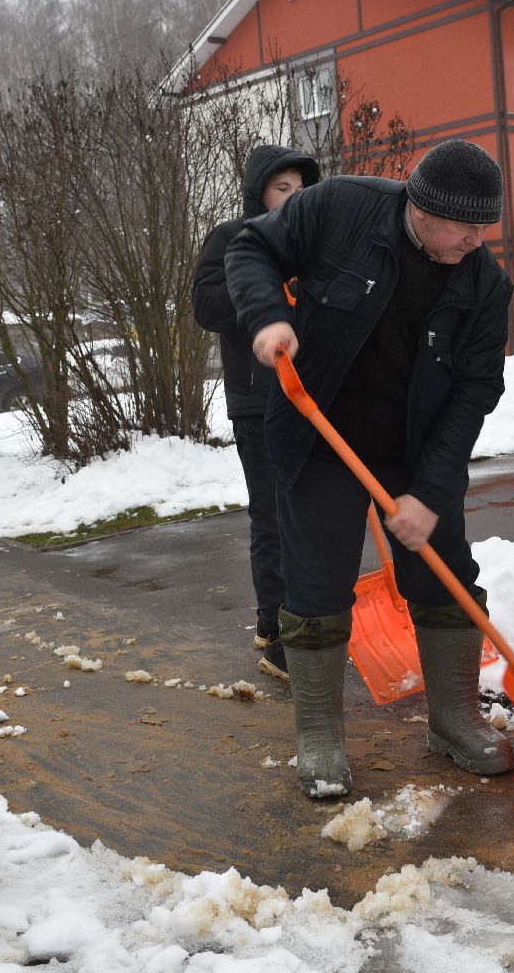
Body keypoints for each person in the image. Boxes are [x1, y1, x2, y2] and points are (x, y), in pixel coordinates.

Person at [224, 139, 514, 798]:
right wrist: (268, 318)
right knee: (317, 583)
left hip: (414, 449)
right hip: (319, 430)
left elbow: (475, 391)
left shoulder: (483, 284)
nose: (475, 241)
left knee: (447, 576)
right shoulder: (340, 209)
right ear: (422, 208)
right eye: (463, 227)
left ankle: (454, 720)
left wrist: (429, 494)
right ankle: (320, 738)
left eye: (483, 227)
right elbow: (251, 248)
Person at [192, 145, 321, 681]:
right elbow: (206, 308)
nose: (293, 198)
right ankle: (276, 632)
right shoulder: (230, 239)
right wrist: (264, 290)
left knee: (311, 513)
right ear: (259, 192)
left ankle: (305, 619)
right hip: (257, 399)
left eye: (300, 188)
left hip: (312, 399)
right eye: (281, 188)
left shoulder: (313, 244)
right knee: (272, 514)